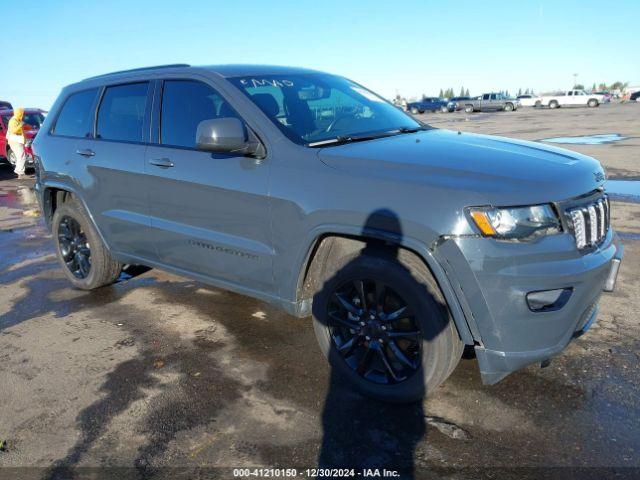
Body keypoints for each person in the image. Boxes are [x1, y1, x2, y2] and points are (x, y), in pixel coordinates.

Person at [7, 107, 30, 179]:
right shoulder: (13, 120)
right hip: (15, 142)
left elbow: (21, 129)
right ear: (19, 113)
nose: (23, 115)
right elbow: (14, 131)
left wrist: (27, 127)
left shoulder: (17, 120)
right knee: (21, 157)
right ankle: (20, 173)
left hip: (18, 142)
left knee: (21, 157)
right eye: (22, 113)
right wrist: (21, 125)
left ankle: (19, 172)